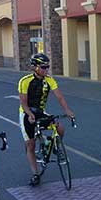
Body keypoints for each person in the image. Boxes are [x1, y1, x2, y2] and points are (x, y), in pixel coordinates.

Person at [18, 53, 75, 186]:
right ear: (35, 67)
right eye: (43, 67)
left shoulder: (49, 80)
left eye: (47, 67)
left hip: (40, 111)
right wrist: (29, 114)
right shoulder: (25, 81)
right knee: (30, 145)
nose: (46, 69)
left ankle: (51, 144)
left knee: (60, 128)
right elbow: (23, 103)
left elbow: (59, 97)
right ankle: (35, 174)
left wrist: (67, 111)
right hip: (27, 113)